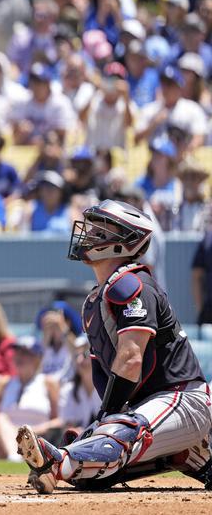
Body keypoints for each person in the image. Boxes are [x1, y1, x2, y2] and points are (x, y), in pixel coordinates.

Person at [17, 200, 212, 493]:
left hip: (181, 398)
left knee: (115, 435)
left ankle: (56, 461)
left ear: (124, 240)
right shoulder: (96, 299)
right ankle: (187, 454)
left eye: (100, 229)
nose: (89, 234)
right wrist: (101, 424)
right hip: (148, 408)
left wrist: (108, 418)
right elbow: (102, 375)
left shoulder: (132, 284)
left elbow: (131, 358)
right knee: (89, 474)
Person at [0, 336, 60, 461]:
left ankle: (16, 456)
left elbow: (59, 420)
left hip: (36, 439)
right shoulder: (4, 383)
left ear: (37, 359)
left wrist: (30, 432)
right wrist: (11, 431)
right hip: (1, 443)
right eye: (17, 352)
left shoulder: (48, 383)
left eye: (25, 353)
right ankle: (15, 456)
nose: (19, 357)